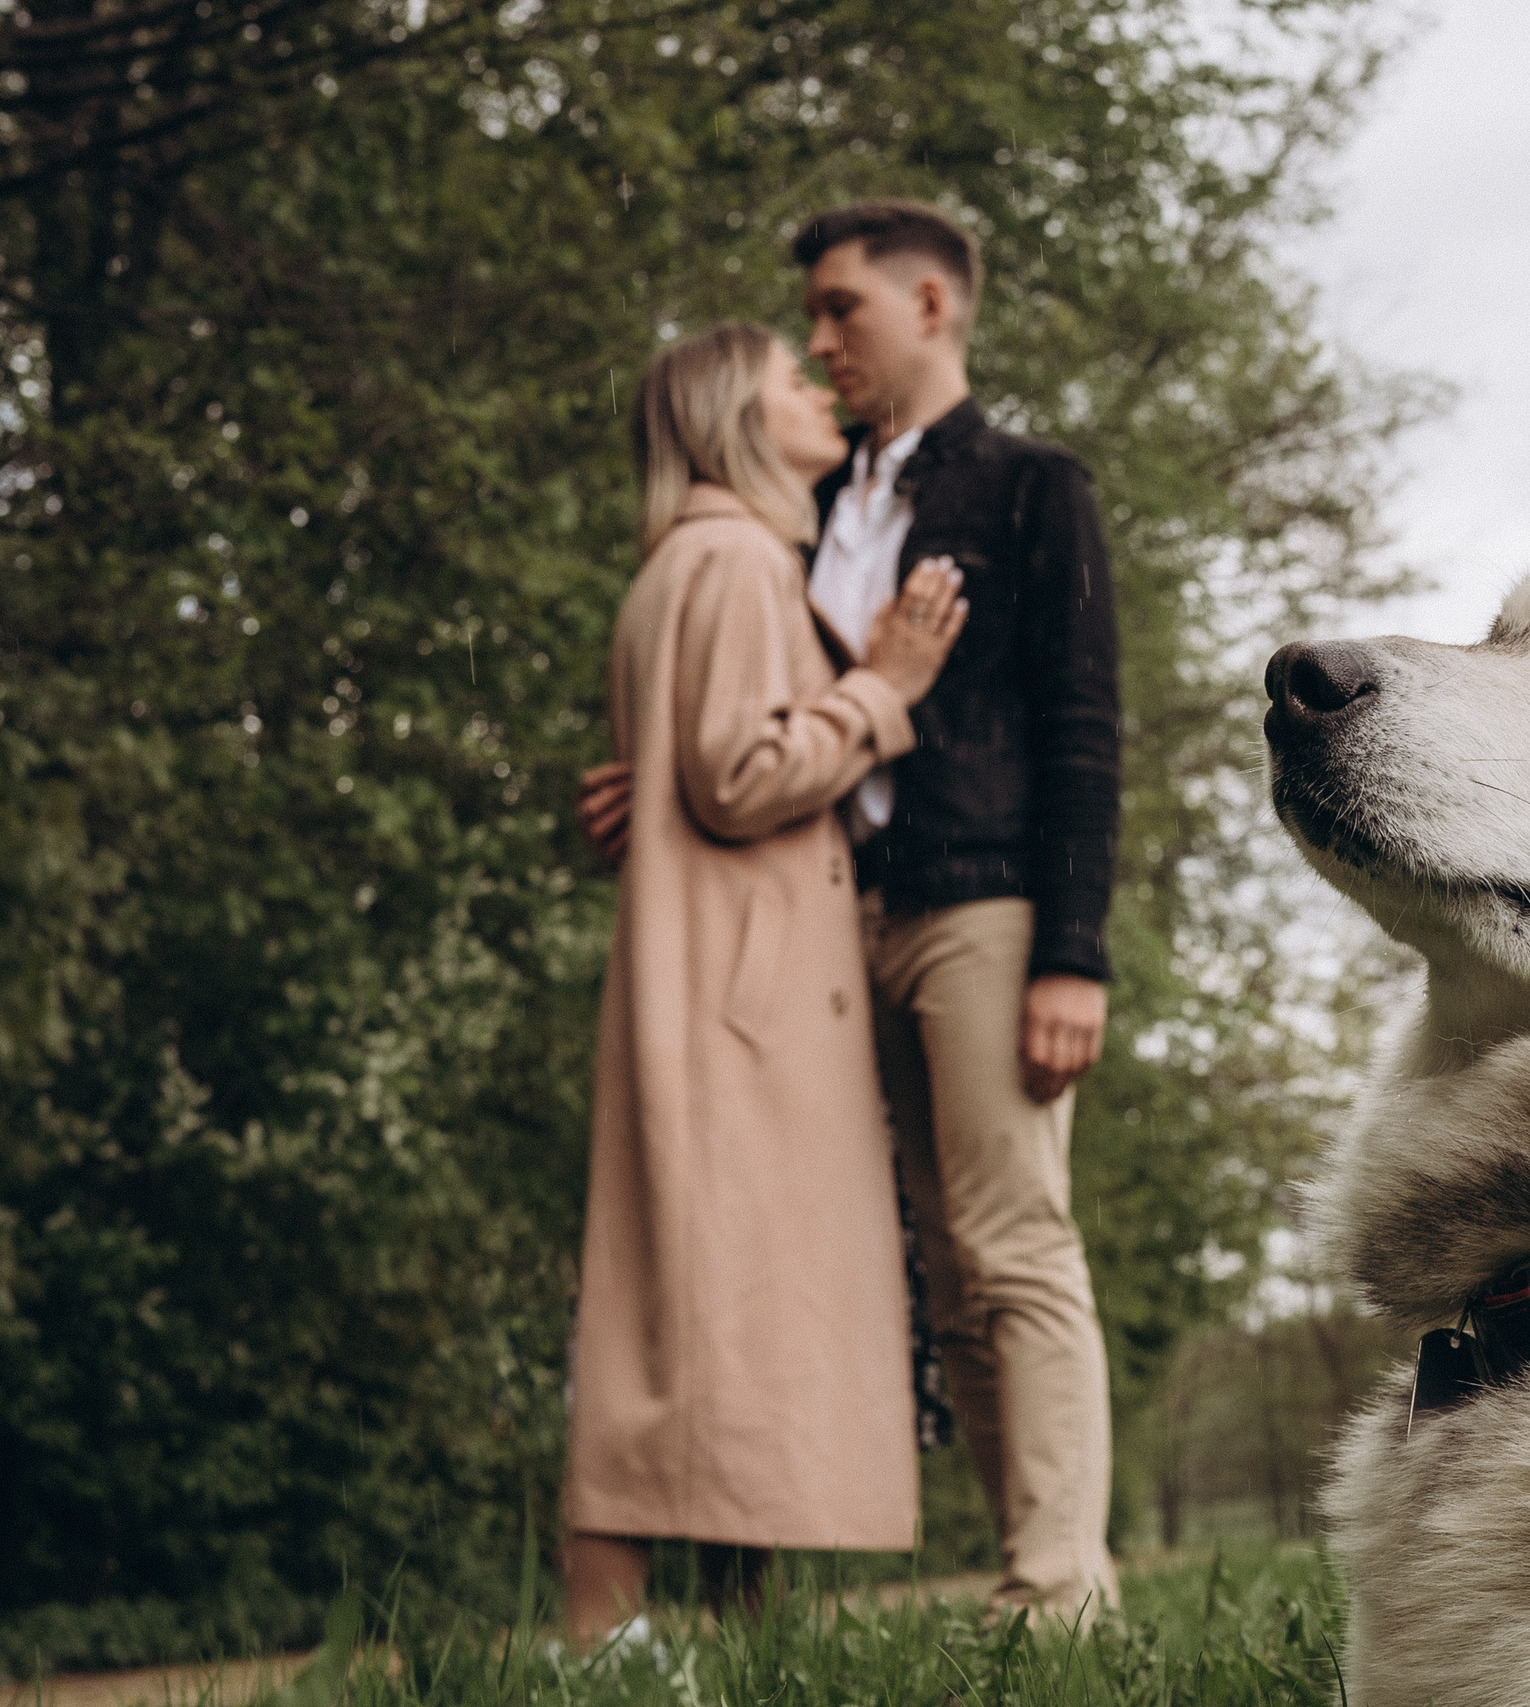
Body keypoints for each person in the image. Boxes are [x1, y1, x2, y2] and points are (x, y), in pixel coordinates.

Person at [578, 199, 1124, 1619]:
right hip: (829, 930)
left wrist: (1072, 954)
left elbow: (1082, 729)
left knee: (1014, 1244)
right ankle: (1022, 1573)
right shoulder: (801, 507)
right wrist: (659, 784)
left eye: (842, 310)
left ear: (931, 306)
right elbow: (756, 718)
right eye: (811, 321)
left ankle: (1059, 1597)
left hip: (983, 907)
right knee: (941, 1274)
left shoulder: (1031, 486)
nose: (820, 344)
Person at [561, 320, 968, 1643]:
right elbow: (738, 777)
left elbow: (689, 769)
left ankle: (736, 1642)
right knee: (707, 1301)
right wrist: (884, 689)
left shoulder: (687, 563)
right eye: (791, 379)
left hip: (713, 979)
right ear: (737, 417)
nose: (816, 391)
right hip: (746, 998)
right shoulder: (737, 559)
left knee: (711, 1301)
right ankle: (600, 1637)